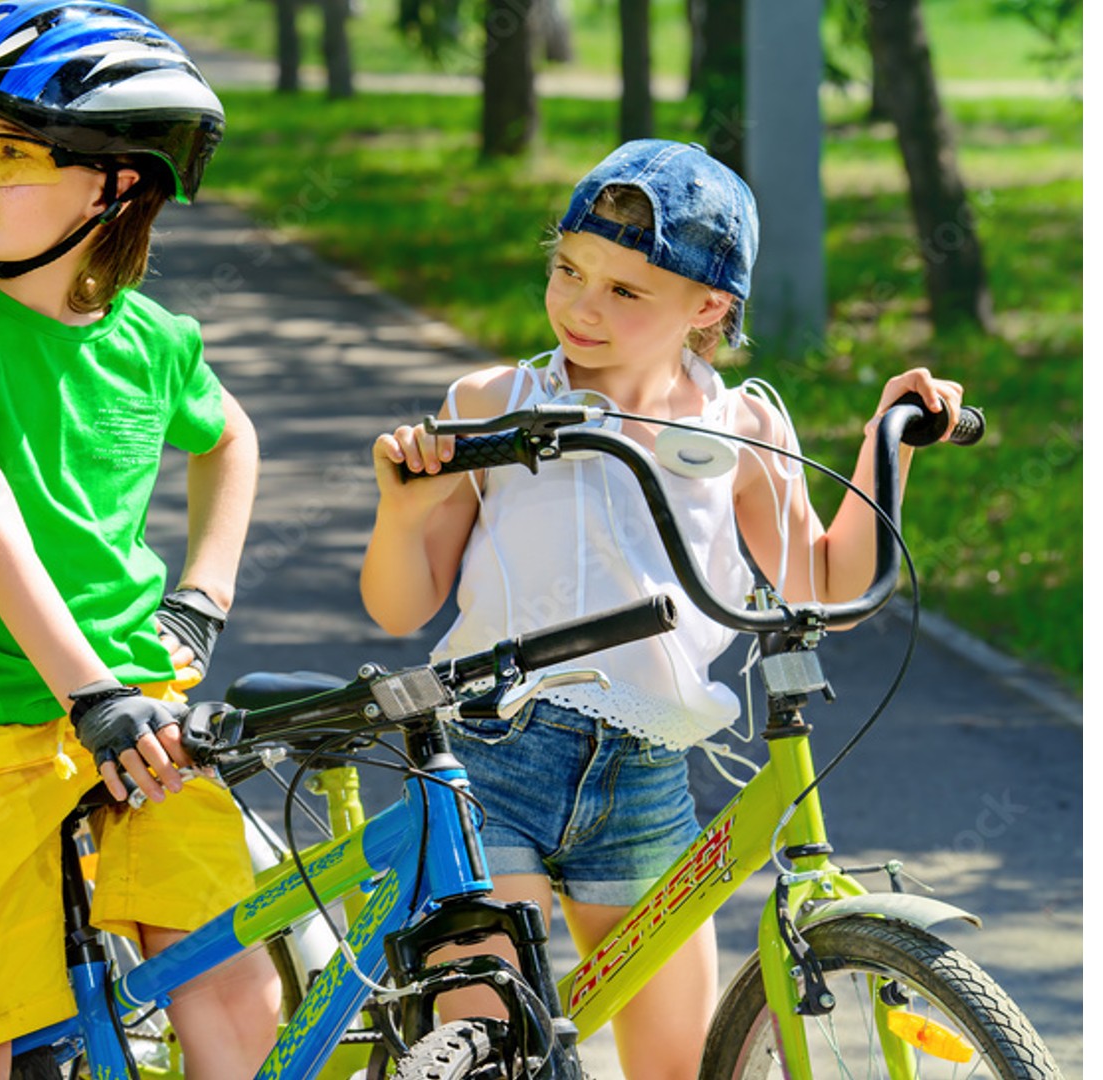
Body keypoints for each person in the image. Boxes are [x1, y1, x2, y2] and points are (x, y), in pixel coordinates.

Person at [358, 139, 962, 1080]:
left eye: (625, 291)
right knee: (489, 1050)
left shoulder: (739, 428)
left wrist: (895, 438)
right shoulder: (497, 403)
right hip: (490, 756)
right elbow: (399, 605)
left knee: (678, 1066)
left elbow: (829, 588)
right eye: (568, 270)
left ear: (709, 308)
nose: (580, 306)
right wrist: (404, 509)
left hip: (644, 780)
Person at [0, 4, 279, 1080]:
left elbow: (231, 442)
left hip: (131, 701)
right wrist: (91, 692)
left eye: (3, 152)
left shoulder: (152, 340)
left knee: (233, 974)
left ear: (116, 184)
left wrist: (202, 600)